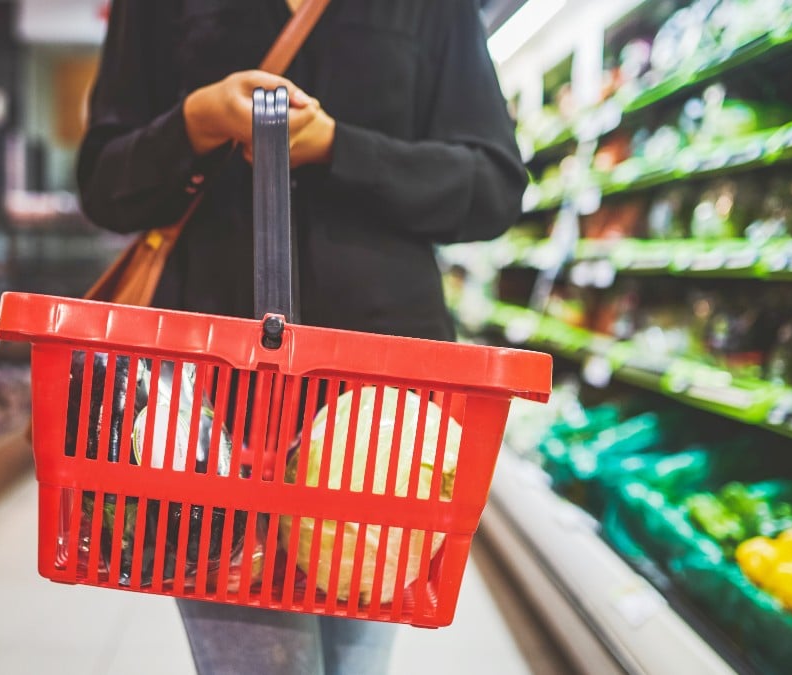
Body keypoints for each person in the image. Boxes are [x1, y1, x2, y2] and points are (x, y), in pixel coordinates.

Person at [76, 1, 525, 673]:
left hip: (385, 417)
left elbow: (494, 185)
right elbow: (103, 183)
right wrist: (194, 122)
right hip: (211, 410)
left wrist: (344, 149)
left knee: (356, 663)